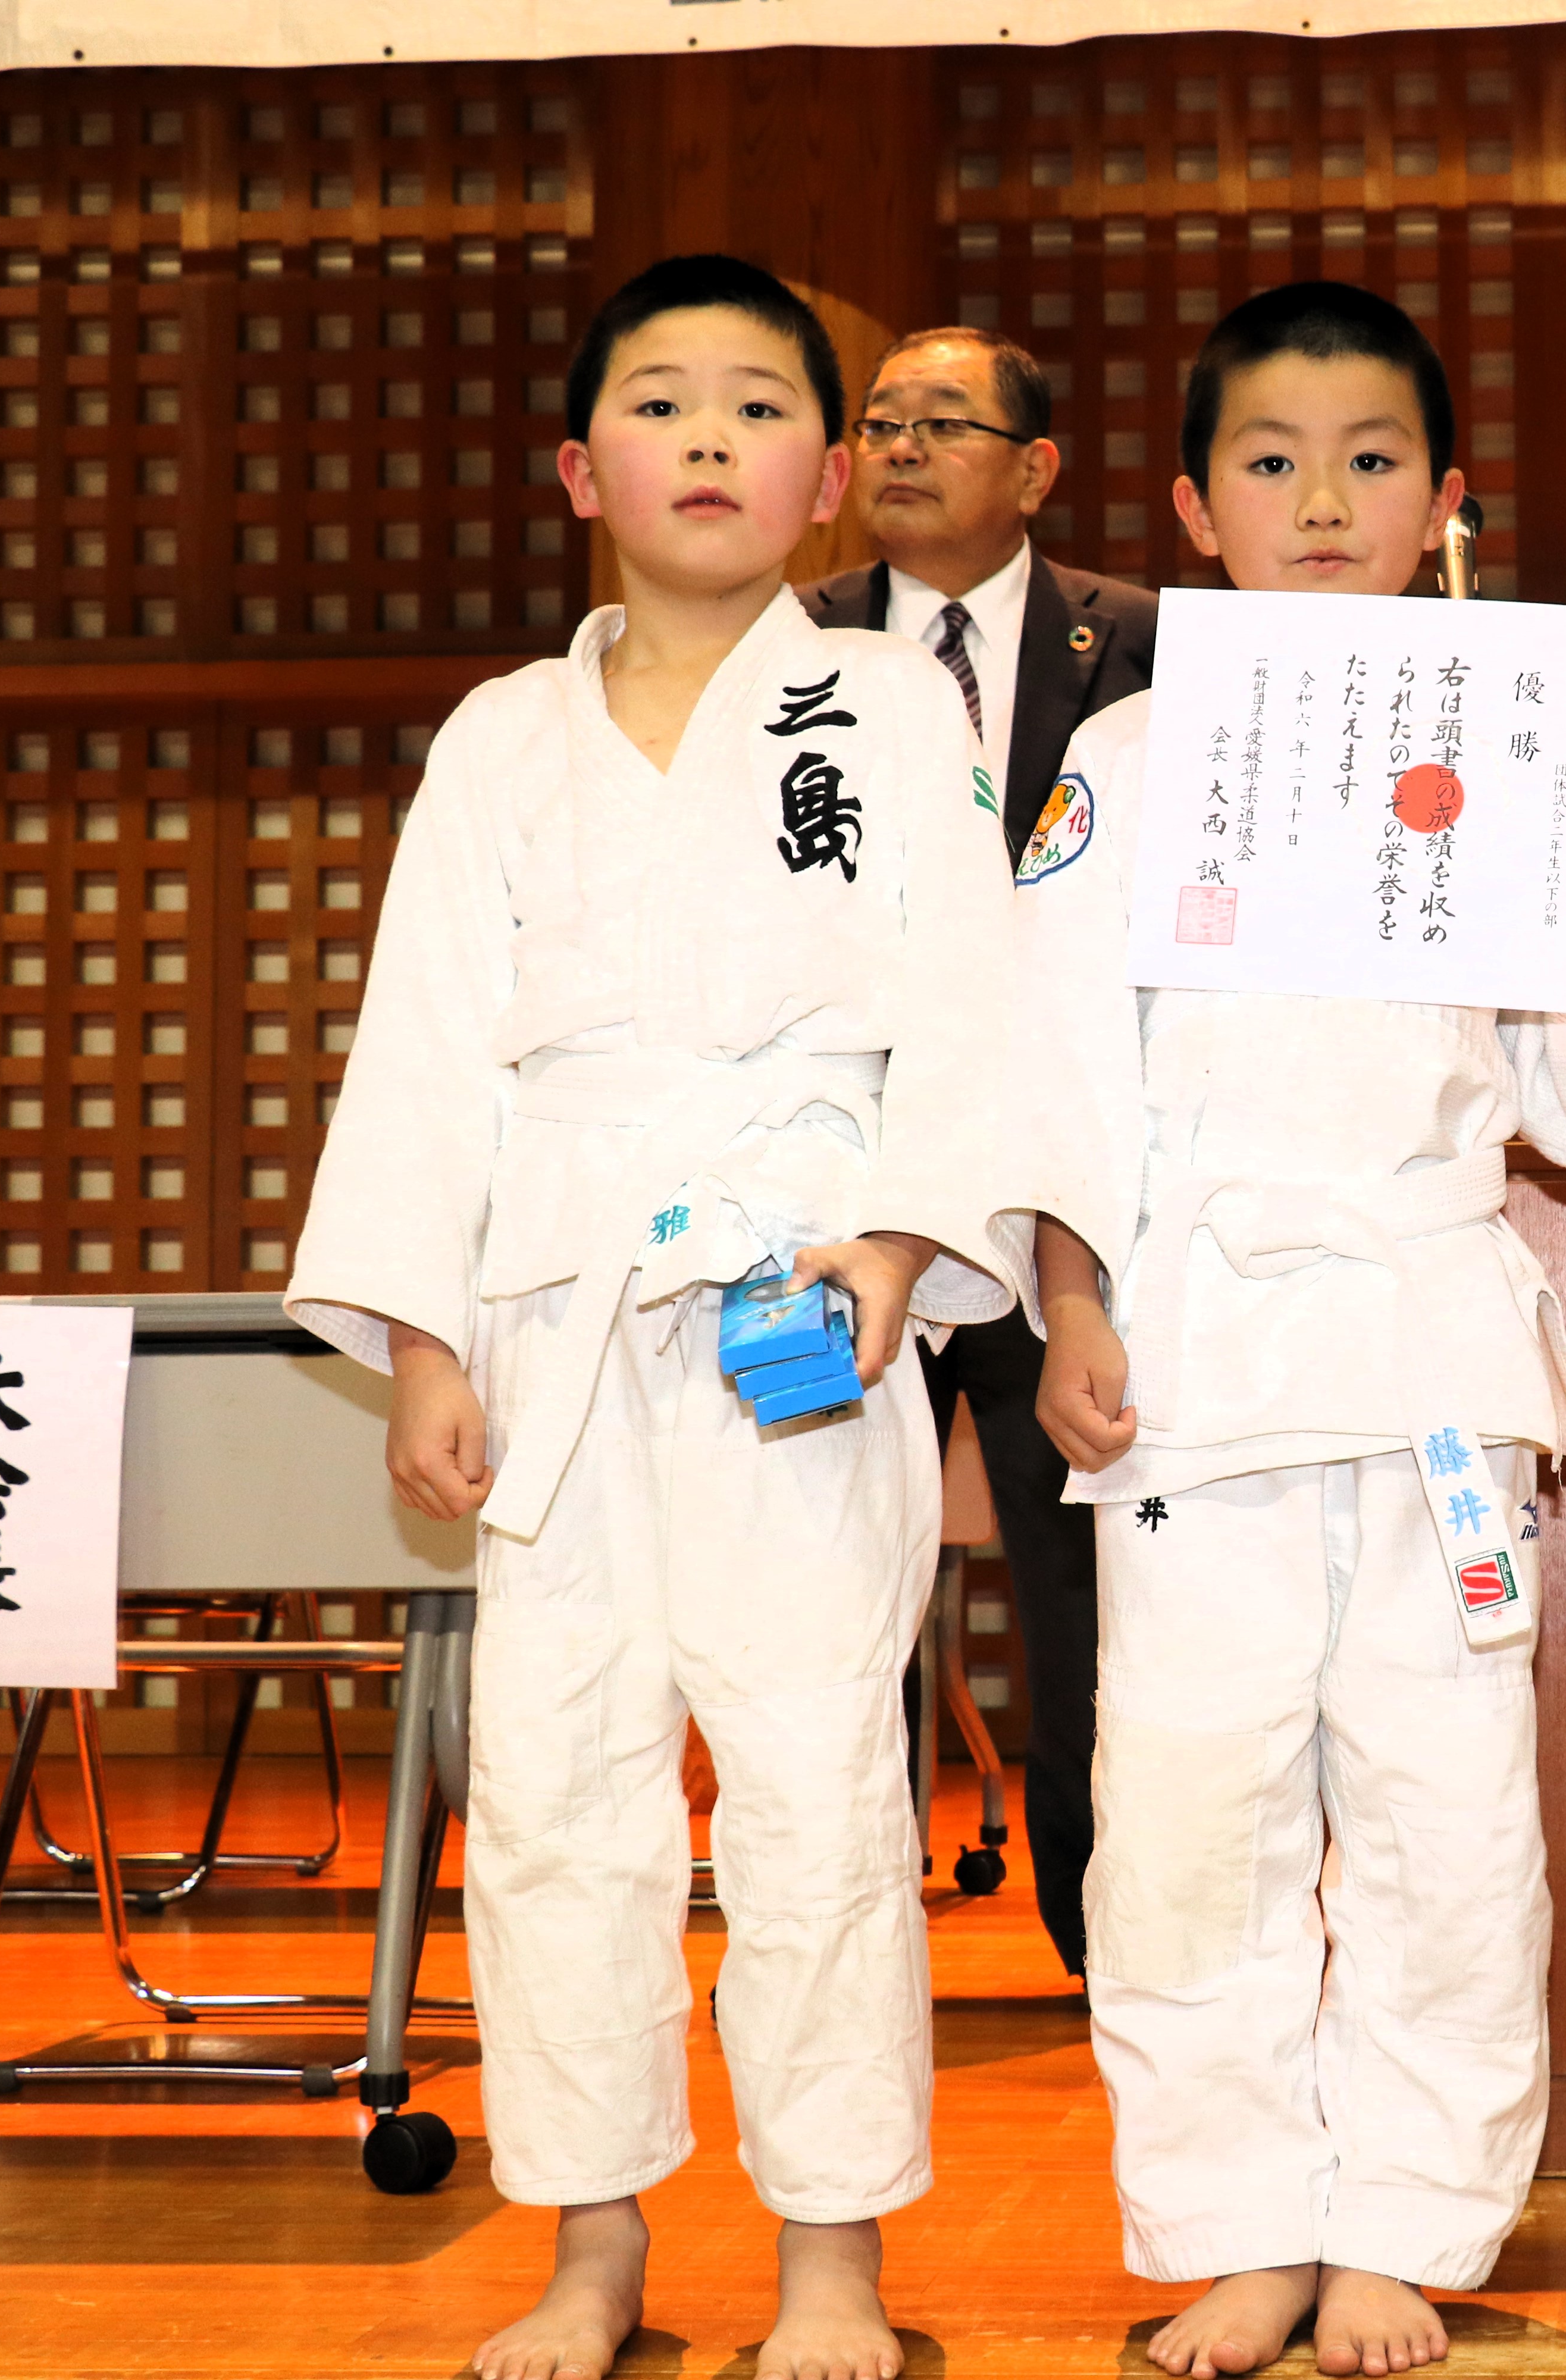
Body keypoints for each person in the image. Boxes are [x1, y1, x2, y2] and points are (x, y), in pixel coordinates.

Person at [286, 255, 1076, 2380]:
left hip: (798, 1302)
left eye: (757, 407)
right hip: (552, 1317)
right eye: (662, 401)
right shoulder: (500, 738)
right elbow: (427, 1050)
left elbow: (969, 1010)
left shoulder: (891, 707)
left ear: (832, 480)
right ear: (577, 469)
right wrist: (428, 1344)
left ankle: (833, 2263)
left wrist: (903, 1255)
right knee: (553, 1795)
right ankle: (594, 2242)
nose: (710, 438)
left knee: (820, 1777)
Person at [1017, 281, 1566, 2379]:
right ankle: (1235, 2221)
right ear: (1192, 508)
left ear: (1446, 501)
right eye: (1271, 461)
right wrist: (1068, 1294)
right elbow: (1059, 1066)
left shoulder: (1521, 742)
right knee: (1187, 1809)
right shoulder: (1128, 756)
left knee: (1446, 1813)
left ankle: (1410, 2228)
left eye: (1370, 462)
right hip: (1195, 1355)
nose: (1322, 499)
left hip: (1436, 1355)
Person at [806, 325, 1158, 1978]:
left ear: (1035, 469)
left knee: (1087, 1582)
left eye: (943, 424)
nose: (900, 449)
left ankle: (1107, 1935)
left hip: (1067, 1192)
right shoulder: (786, 655)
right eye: (879, 423)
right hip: (862, 1192)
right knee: (836, 1580)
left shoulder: (1149, 649)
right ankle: (843, 1940)